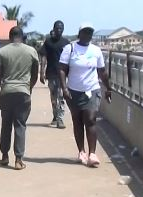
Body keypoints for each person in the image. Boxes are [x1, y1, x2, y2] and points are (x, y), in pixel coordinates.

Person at [59, 22, 113, 167]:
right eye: (85, 32)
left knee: (90, 119)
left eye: (90, 33)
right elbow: (62, 69)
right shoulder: (69, 48)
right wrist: (64, 88)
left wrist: (108, 88)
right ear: (79, 34)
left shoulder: (96, 50)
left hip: (92, 89)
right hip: (73, 91)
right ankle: (81, 151)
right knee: (77, 121)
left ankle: (92, 154)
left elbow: (102, 71)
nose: (87, 35)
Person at [0, 26, 39, 170]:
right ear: (22, 36)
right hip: (23, 92)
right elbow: (35, 74)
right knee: (20, 125)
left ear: (10, 36)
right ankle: (18, 160)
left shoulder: (1, 52)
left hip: (6, 92)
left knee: (6, 125)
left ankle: (5, 156)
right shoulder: (31, 51)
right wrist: (29, 88)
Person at [39, 20, 71, 129]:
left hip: (62, 74)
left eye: (61, 28)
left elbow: (70, 59)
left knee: (61, 96)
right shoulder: (48, 42)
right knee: (53, 97)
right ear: (54, 28)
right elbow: (43, 57)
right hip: (51, 73)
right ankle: (55, 115)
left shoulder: (66, 43)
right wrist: (42, 72)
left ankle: (60, 119)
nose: (59, 30)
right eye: (57, 28)